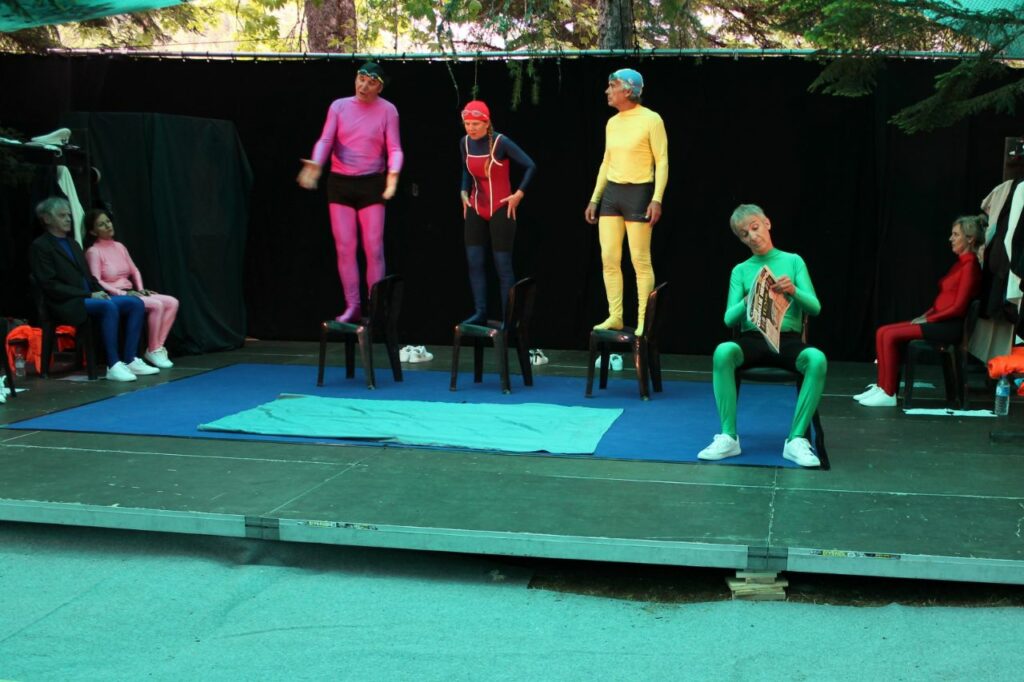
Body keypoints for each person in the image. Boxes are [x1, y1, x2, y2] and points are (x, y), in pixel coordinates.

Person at [698, 204, 827, 467]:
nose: (752, 236)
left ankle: (796, 439)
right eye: (745, 234)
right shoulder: (740, 270)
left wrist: (793, 291)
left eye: (755, 227)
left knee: (816, 359)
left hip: (787, 340)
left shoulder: (793, 261)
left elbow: (815, 307)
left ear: (767, 223)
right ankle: (728, 437)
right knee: (723, 351)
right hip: (753, 340)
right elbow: (728, 319)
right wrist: (747, 300)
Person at [297, 61, 404, 323]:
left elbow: (394, 148)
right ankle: (353, 306)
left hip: (372, 183)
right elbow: (326, 139)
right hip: (340, 183)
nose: (363, 86)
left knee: (373, 247)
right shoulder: (339, 106)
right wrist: (316, 163)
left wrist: (393, 174)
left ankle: (375, 307)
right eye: (360, 79)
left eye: (370, 83)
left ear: (379, 87)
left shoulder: (388, 110)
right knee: (345, 247)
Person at [855, 215, 984, 407]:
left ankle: (889, 393)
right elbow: (944, 300)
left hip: (949, 327)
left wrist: (930, 320)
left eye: (956, 235)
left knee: (889, 335)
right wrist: (926, 315)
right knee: (882, 331)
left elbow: (958, 307)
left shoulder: (970, 266)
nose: (951, 239)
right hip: (940, 321)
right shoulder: (960, 263)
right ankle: (882, 386)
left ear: (970, 238)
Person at [29, 197, 158, 382]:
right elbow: (50, 284)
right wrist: (88, 294)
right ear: (47, 219)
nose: (68, 219)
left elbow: (88, 278)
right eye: (62, 215)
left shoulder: (73, 244)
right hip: (65, 303)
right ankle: (113, 364)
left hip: (87, 296)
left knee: (135, 303)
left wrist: (103, 291)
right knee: (107, 306)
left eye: (68, 215)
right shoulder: (40, 246)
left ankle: (130, 359)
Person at [584, 68, 668, 337]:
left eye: (612, 86)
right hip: (612, 193)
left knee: (640, 260)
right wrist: (595, 198)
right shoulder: (612, 122)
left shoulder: (651, 119)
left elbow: (662, 161)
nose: (607, 91)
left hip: (639, 192)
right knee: (609, 257)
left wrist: (656, 198)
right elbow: (606, 161)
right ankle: (615, 315)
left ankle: (644, 320)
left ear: (628, 90)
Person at [458, 100, 536, 324]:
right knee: (474, 262)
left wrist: (518, 194)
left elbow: (530, 165)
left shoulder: (501, 142)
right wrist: (463, 192)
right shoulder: (464, 143)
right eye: (467, 124)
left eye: (475, 124)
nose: (471, 128)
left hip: (501, 207)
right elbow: (466, 170)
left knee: (503, 266)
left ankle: (507, 319)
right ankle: (480, 311)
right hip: (476, 206)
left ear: (486, 123)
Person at [84, 208, 179, 369]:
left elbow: (134, 270)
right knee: (157, 305)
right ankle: (153, 349)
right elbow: (96, 280)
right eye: (101, 224)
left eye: (108, 221)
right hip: (115, 295)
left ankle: (156, 348)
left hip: (132, 292)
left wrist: (140, 289)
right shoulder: (94, 251)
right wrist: (122, 293)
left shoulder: (119, 246)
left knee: (172, 302)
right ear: (93, 231)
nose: (108, 226)